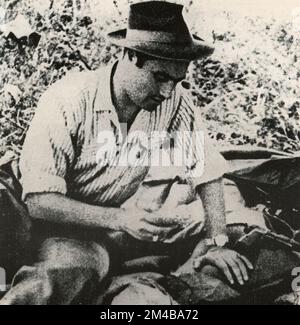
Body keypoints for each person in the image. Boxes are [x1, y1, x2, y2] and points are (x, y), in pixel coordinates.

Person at [0, 1, 256, 305]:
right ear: (129, 55)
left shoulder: (174, 103)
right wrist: (120, 219)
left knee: (84, 265)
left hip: (87, 229)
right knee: (63, 270)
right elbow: (39, 202)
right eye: (160, 77)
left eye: (177, 81)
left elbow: (208, 171)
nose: (167, 92)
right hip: (20, 212)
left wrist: (217, 242)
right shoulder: (69, 98)